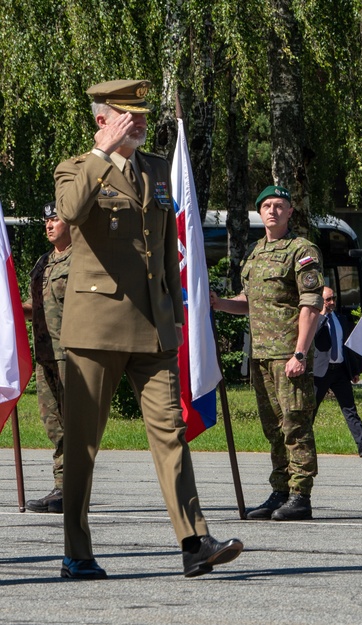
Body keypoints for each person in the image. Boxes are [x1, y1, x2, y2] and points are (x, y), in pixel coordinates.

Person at [54, 79, 243, 579]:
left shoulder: (158, 169)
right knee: (83, 444)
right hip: (95, 329)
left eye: (141, 114)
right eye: (126, 114)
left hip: (154, 327)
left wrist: (176, 319)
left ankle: (194, 542)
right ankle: (77, 550)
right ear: (102, 119)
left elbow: (163, 251)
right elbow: (70, 216)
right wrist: (101, 153)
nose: (138, 121)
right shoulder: (76, 167)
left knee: (171, 432)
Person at [211, 184, 324, 521]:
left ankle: (300, 495)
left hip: (289, 355)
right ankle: (280, 489)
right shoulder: (256, 253)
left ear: (290, 212)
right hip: (261, 356)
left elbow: (311, 304)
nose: (273, 211)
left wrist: (300, 353)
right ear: (259, 212)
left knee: (295, 423)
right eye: (267, 206)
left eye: (280, 205)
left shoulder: (301, 250)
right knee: (273, 428)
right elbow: (249, 302)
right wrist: (219, 304)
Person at [20, 202, 71, 514]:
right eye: (46, 220)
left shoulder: (82, 259)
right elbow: (34, 306)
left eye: (55, 219)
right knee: (54, 423)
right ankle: (62, 486)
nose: (49, 225)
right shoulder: (43, 262)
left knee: (76, 422)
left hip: (72, 354)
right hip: (45, 354)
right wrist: (10, 307)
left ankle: (73, 487)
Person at [313, 286, 362, 457]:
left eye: (333, 298)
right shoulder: (314, 318)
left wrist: (354, 371)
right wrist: (321, 315)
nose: (332, 302)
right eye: (328, 299)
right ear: (320, 301)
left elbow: (347, 346)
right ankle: (300, 443)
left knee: (349, 408)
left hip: (340, 371)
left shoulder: (340, 319)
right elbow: (313, 336)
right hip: (321, 372)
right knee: (310, 409)